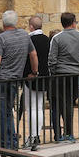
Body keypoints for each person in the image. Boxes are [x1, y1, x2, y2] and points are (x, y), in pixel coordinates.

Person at [0, 10, 37, 150]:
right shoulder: (24, 35)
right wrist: (34, 72)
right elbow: (33, 54)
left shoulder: (1, 38)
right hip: (16, 79)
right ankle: (12, 141)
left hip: (1, 80)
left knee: (0, 113)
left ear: (3, 23)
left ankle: (7, 144)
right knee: (8, 111)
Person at [48, 12, 79, 142]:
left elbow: (52, 59)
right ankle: (69, 133)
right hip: (75, 74)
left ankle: (58, 134)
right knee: (70, 103)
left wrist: (53, 74)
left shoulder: (57, 38)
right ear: (74, 22)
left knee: (57, 104)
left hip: (59, 74)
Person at [23, 15, 50, 148]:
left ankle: (33, 137)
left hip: (32, 77)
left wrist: (29, 73)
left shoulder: (29, 39)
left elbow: (27, 59)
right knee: (39, 107)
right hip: (45, 77)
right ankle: (36, 135)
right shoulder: (47, 40)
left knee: (31, 108)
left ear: (31, 26)